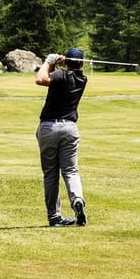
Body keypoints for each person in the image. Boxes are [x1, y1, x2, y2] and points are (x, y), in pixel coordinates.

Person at [36, 47, 89, 227]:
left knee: (51, 173)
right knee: (70, 170)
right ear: (81, 63)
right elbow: (55, 77)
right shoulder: (82, 79)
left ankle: (55, 217)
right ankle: (77, 200)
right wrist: (58, 64)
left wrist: (49, 61)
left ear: (65, 62)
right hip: (70, 129)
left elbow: (41, 79)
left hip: (49, 127)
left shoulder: (60, 75)